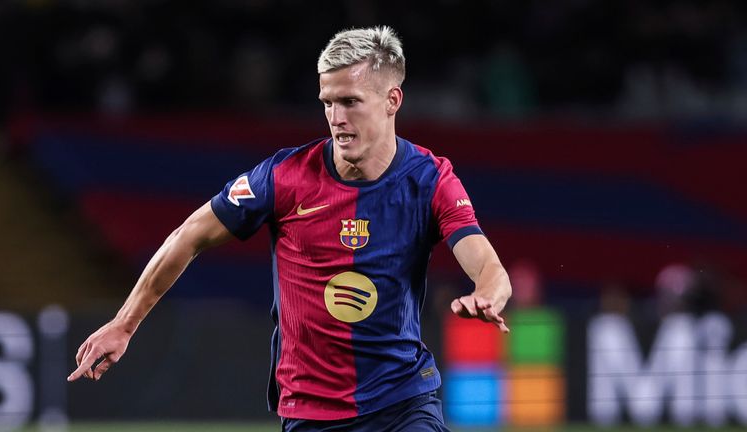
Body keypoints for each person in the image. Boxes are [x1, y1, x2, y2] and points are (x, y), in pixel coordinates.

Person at [68, 26, 512, 431]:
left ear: (392, 101)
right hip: (309, 412)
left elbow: (485, 262)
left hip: (402, 403)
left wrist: (488, 293)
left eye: (351, 101)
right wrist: (124, 325)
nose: (337, 117)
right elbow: (189, 235)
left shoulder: (431, 179)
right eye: (328, 103)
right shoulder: (282, 177)